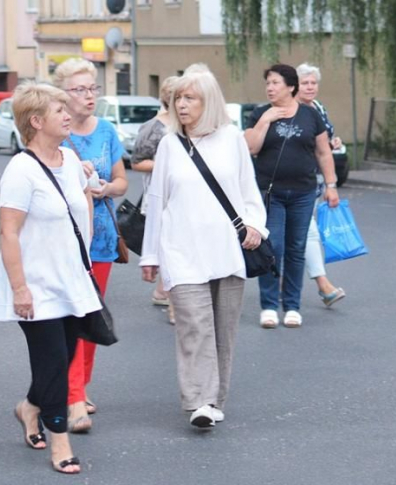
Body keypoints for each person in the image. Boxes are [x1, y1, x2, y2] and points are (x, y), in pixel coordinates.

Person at [140, 65, 268, 429]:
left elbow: (249, 192)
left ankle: (214, 400)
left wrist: (255, 226)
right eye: (178, 98)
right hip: (182, 252)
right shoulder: (169, 144)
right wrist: (150, 255)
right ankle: (198, 400)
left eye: (190, 98)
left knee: (223, 331)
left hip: (227, 252)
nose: (181, 105)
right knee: (195, 327)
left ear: (208, 101)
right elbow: (157, 201)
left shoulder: (231, 140)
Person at [0, 81, 101, 475]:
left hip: (70, 281)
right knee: (54, 360)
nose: (68, 114)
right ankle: (60, 440)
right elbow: (8, 232)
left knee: (65, 354)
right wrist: (20, 288)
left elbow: (87, 196)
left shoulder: (70, 159)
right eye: (59, 111)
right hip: (35, 286)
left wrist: (93, 178)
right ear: (36, 121)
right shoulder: (20, 170)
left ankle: (29, 407)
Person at [53, 58, 128, 433]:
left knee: (92, 318)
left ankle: (80, 386)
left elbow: (121, 181)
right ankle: (72, 397)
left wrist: (105, 189)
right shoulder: (54, 133)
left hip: (101, 238)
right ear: (62, 96)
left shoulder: (107, 131)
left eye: (92, 88)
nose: (88, 96)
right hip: (66, 241)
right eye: (79, 89)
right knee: (71, 317)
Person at [244, 64, 340, 330]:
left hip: (303, 192)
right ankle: (269, 306)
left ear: (290, 86)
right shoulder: (260, 113)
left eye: (275, 83)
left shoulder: (310, 115)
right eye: (268, 84)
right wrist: (266, 121)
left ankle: (292, 306)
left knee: (296, 249)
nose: (270, 88)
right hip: (270, 193)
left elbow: (323, 152)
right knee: (272, 247)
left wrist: (331, 184)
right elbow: (250, 147)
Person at [296, 62, 346, 307]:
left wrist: (333, 142)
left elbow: (324, 140)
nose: (310, 87)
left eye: (313, 83)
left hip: (315, 178)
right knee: (306, 230)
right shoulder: (292, 109)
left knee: (305, 230)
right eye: (305, 82)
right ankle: (322, 284)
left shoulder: (318, 107)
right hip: (295, 178)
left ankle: (318, 284)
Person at [131, 75, 178, 324]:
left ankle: (163, 290)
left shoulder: (188, 125)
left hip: (182, 195)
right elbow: (137, 161)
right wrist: (167, 164)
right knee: (167, 245)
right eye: (178, 96)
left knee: (176, 244)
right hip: (159, 195)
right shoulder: (153, 127)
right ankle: (170, 297)